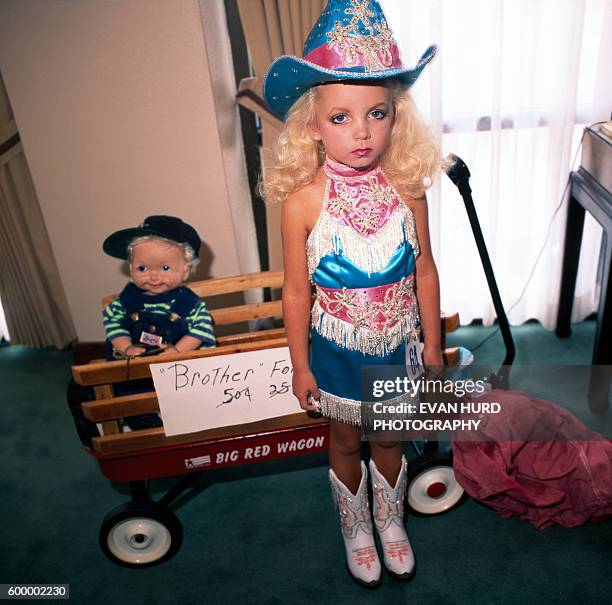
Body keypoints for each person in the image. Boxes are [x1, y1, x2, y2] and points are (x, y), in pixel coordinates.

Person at [262, 0, 443, 588]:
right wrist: (298, 366)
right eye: (340, 117)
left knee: (390, 435)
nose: (361, 132)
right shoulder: (303, 201)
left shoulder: (409, 188)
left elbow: (426, 274)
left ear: (398, 116)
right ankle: (354, 526)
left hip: (396, 348)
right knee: (345, 437)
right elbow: (295, 292)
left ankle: (390, 521)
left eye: (377, 112)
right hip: (335, 352)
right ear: (312, 123)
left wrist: (435, 352)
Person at [102, 214, 215, 357]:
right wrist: (126, 348)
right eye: (142, 268)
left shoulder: (190, 304)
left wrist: (177, 351)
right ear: (131, 269)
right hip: (135, 369)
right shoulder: (125, 301)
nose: (154, 276)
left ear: (185, 270)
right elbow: (113, 323)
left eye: (165, 268)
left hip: (180, 369)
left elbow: (202, 330)